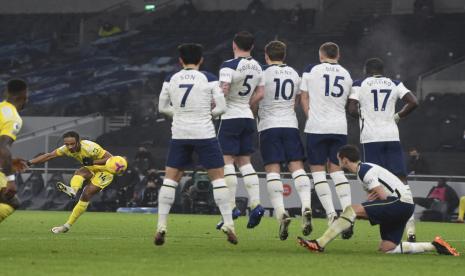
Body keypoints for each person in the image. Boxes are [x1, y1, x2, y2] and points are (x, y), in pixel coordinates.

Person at [298, 145, 459, 256]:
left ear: (345, 160)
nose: (337, 161)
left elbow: (382, 196)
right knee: (387, 248)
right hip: (403, 206)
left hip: (399, 204)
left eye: (338, 159)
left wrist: (360, 212)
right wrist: (366, 208)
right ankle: (435, 245)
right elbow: (378, 196)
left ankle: (319, 244)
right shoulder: (364, 170)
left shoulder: (364, 171)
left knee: (351, 210)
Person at [156, 43, 236, 246]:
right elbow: (222, 108)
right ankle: (228, 224)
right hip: (204, 133)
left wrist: (180, 114)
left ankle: (161, 226)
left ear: (180, 60)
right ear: (201, 60)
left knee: (170, 179)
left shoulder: (171, 79)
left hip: (180, 133)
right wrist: (206, 114)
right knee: (218, 179)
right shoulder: (208, 78)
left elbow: (162, 107)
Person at [348, 57, 419, 242]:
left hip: (371, 139)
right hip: (391, 136)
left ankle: (386, 231)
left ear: (366, 70)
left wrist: (363, 116)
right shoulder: (394, 83)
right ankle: (410, 229)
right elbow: (413, 102)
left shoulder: (360, 83)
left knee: (375, 182)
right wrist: (397, 116)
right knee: (401, 181)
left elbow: (352, 108)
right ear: (382, 70)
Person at [252, 40, 312, 240]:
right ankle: (306, 205)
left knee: (273, 170)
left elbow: (257, 97)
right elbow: (296, 101)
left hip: (269, 126)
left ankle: (281, 213)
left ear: (266, 56)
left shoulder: (262, 73)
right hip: (290, 125)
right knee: (297, 167)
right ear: (284, 55)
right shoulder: (295, 74)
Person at [300, 42, 353, 236]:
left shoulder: (311, 70)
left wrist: (310, 116)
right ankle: (348, 214)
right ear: (338, 55)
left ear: (321, 55)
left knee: (318, 171)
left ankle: (331, 215)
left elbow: (303, 98)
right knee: (337, 170)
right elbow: (348, 102)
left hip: (317, 127)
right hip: (339, 127)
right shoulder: (346, 74)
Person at [26, 131, 127, 233]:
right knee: (79, 172)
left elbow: (111, 158)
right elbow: (48, 156)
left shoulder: (89, 147)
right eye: (67, 144)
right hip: (92, 167)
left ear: (78, 141)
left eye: (72, 144)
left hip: (106, 170)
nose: (69, 147)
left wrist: (93, 162)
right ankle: (73, 191)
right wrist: (29, 162)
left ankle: (67, 226)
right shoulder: (65, 149)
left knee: (86, 193)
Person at [217, 31, 265, 229]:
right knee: (245, 162)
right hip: (247, 116)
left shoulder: (229, 65)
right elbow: (260, 93)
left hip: (230, 116)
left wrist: (216, 104)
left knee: (226, 161)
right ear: (252, 47)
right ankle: (256, 203)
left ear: (234, 45)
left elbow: (224, 89)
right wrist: (247, 103)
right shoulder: (258, 66)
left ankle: (232, 207)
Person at [0, 79, 28, 224]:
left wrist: (9, 161)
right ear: (24, 95)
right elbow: (3, 147)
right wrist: (10, 180)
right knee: (12, 202)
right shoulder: (12, 117)